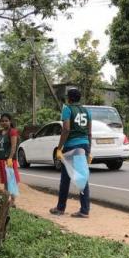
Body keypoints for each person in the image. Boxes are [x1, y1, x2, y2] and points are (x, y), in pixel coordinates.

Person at [50, 88, 93, 218]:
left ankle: (61, 208)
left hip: (71, 146)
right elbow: (89, 132)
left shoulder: (67, 109)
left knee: (65, 179)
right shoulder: (87, 111)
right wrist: (89, 150)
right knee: (82, 177)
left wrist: (59, 147)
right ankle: (84, 209)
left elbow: (66, 129)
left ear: (69, 98)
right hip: (84, 145)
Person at [0, 113, 20, 206]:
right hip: (1, 160)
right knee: (5, 181)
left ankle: (12, 201)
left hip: (9, 161)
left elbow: (13, 146)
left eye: (6, 121)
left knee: (11, 180)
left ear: (10, 121)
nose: (4, 122)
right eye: (2, 121)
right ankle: (6, 199)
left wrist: (10, 158)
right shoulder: (0, 133)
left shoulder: (12, 131)